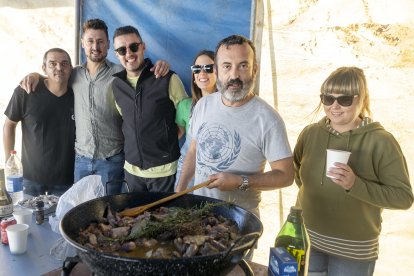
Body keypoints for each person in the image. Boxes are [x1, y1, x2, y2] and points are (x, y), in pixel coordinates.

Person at [19, 19, 169, 195]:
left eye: (100, 42)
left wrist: (161, 65)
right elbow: (53, 75)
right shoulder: (73, 74)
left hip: (112, 160)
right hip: (81, 160)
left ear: (108, 45)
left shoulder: (120, 73)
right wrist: (34, 75)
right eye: (90, 41)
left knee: (109, 213)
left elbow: (143, 72)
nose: (95, 47)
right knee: (81, 212)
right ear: (83, 43)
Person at [293, 66, 413, 276]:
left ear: (361, 99)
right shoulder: (310, 133)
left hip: (353, 251)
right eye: (328, 98)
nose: (335, 106)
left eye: (345, 99)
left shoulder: (381, 141)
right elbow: (298, 175)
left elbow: (403, 198)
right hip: (307, 239)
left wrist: (354, 185)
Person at [175, 34, 294, 217]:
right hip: (199, 215)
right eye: (227, 66)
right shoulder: (203, 105)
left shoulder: (268, 119)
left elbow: (286, 176)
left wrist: (241, 181)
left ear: (255, 69)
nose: (234, 75)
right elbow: (193, 150)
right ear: (216, 71)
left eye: (243, 66)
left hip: (238, 222)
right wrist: (180, 191)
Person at [112, 25, 188, 192]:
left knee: (165, 218)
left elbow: (185, 117)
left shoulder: (167, 78)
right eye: (122, 50)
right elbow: (127, 121)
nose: (129, 54)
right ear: (116, 54)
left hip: (164, 171)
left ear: (143, 46)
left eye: (133, 47)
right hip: (132, 172)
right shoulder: (116, 85)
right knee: (134, 218)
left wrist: (165, 141)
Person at [3, 48, 75, 196]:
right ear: (44, 68)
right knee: (26, 218)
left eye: (64, 63)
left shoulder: (78, 94)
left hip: (66, 180)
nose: (59, 68)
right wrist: (8, 161)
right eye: (52, 64)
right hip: (31, 178)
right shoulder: (26, 91)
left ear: (71, 68)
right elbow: (9, 125)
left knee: (61, 219)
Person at [174, 49, 217, 190]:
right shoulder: (185, 105)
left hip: (215, 172)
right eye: (197, 69)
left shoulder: (229, 107)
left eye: (208, 68)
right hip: (187, 169)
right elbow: (177, 135)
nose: (202, 73)